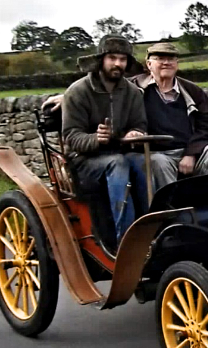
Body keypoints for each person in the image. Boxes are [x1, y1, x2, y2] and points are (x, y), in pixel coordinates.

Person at [44, 42, 208, 192]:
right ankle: (171, 214)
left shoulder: (192, 91)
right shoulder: (134, 88)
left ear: (177, 64)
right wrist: (66, 96)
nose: (166, 63)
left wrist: (191, 153)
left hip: (191, 151)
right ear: (149, 64)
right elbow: (103, 88)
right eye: (159, 58)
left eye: (171, 59)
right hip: (157, 152)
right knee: (157, 162)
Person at [61, 34, 150, 245]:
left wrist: (135, 133)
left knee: (146, 162)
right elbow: (71, 136)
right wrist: (95, 139)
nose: (117, 64)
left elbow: (140, 124)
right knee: (118, 164)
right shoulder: (78, 92)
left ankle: (152, 234)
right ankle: (126, 242)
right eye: (112, 58)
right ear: (101, 59)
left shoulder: (133, 93)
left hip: (120, 152)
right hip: (83, 162)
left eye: (122, 59)